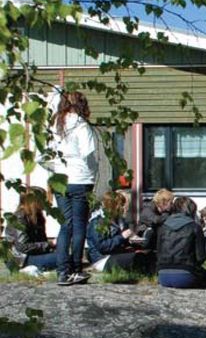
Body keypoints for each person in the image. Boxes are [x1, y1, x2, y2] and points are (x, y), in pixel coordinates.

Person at [48, 86, 98, 286]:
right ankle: (76, 268)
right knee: (79, 227)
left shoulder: (56, 125)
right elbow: (89, 153)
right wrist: (93, 175)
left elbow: (46, 154)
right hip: (80, 179)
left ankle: (62, 272)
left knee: (64, 226)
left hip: (60, 180)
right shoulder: (81, 125)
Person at [155, 194, 206, 289]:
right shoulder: (194, 227)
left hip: (162, 276)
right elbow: (201, 257)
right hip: (186, 276)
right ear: (191, 211)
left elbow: (158, 253)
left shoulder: (163, 227)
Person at [85, 189, 150, 274]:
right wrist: (122, 237)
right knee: (136, 258)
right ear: (114, 206)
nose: (124, 208)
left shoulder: (120, 220)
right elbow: (102, 247)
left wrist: (132, 239)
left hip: (116, 254)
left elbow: (121, 240)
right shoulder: (98, 222)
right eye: (121, 205)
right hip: (102, 259)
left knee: (147, 255)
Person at [4, 188, 59, 275]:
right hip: (21, 259)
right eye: (43, 198)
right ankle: (28, 270)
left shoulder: (37, 217)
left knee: (64, 255)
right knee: (64, 258)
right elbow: (22, 247)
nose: (46, 201)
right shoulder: (20, 217)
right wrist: (50, 244)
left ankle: (38, 269)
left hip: (33, 255)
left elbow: (41, 241)